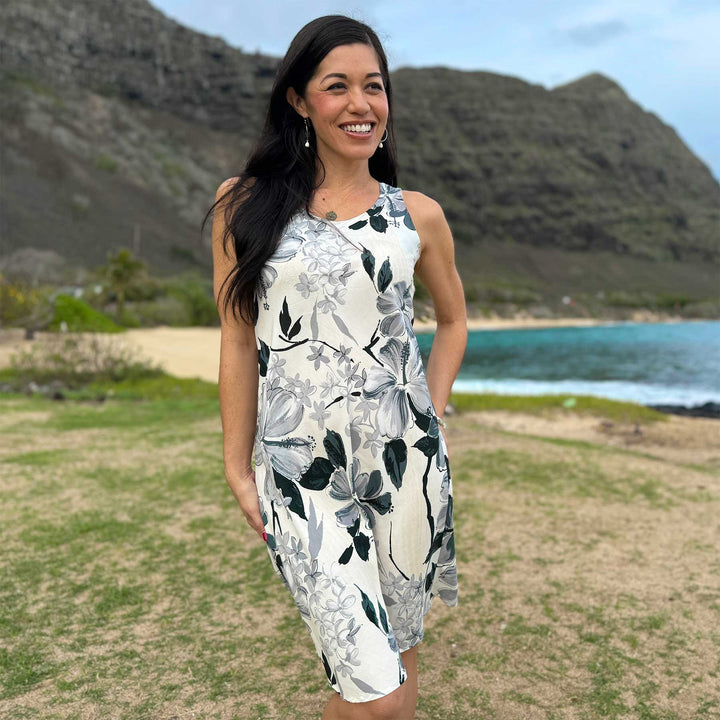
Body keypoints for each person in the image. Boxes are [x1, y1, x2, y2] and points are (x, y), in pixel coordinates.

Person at [204, 14, 467, 720]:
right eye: (338, 86)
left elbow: (454, 321)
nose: (361, 104)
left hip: (406, 469)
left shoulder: (418, 217)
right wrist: (236, 466)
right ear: (299, 101)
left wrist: (431, 413)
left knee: (400, 663)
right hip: (299, 474)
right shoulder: (244, 205)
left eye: (374, 87)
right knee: (371, 689)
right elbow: (236, 340)